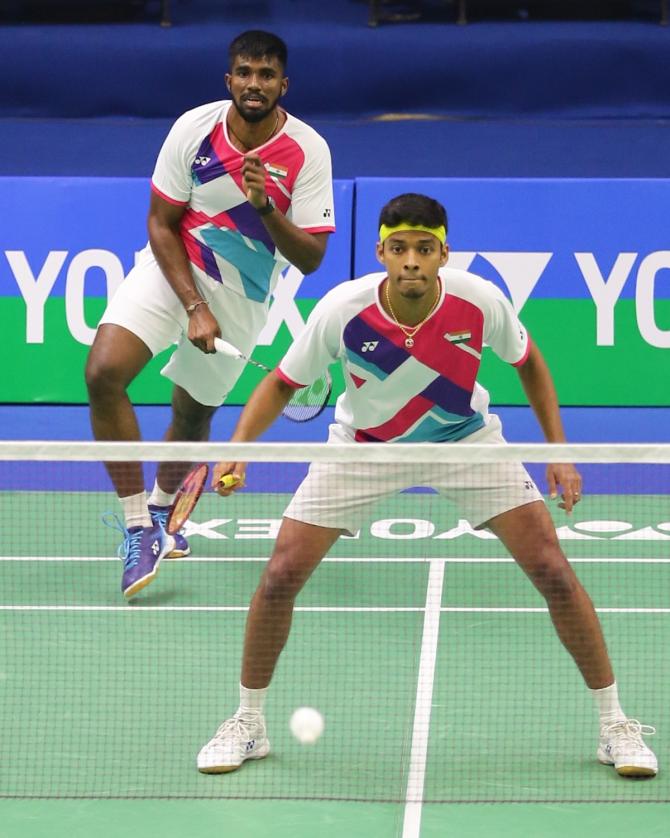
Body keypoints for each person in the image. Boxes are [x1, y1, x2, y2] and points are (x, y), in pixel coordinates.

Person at [196, 193, 657, 779]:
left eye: (424, 249)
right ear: (381, 252)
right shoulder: (343, 309)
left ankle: (615, 724)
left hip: (465, 443)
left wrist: (558, 453)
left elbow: (530, 362)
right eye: (399, 249)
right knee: (282, 573)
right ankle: (248, 721)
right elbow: (284, 384)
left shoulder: (478, 300)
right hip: (366, 449)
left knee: (552, 571)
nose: (411, 260)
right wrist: (238, 452)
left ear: (444, 254)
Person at [85, 30, 335, 599]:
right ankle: (138, 528)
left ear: (283, 84)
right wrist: (193, 306)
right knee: (103, 373)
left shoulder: (307, 151)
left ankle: (164, 510)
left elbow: (312, 258)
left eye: (266, 74)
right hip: (173, 269)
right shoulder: (193, 129)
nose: (254, 83)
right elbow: (159, 221)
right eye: (244, 73)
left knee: (192, 416)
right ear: (229, 80)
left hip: (243, 292)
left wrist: (266, 206)